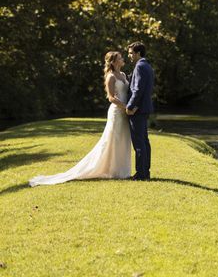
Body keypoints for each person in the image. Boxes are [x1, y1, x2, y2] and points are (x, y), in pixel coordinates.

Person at [29, 51, 131, 186]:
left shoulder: (123, 75)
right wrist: (125, 107)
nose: (123, 59)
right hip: (117, 112)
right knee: (114, 140)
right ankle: (114, 171)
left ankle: (123, 171)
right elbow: (111, 97)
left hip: (125, 112)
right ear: (113, 62)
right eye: (120, 58)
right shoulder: (111, 77)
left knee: (124, 139)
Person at [126, 42, 154, 181]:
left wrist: (130, 106)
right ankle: (145, 172)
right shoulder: (147, 65)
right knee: (144, 141)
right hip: (144, 108)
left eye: (131, 53)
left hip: (138, 109)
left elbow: (138, 90)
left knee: (139, 143)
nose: (129, 56)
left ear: (138, 53)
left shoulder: (140, 66)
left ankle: (141, 174)